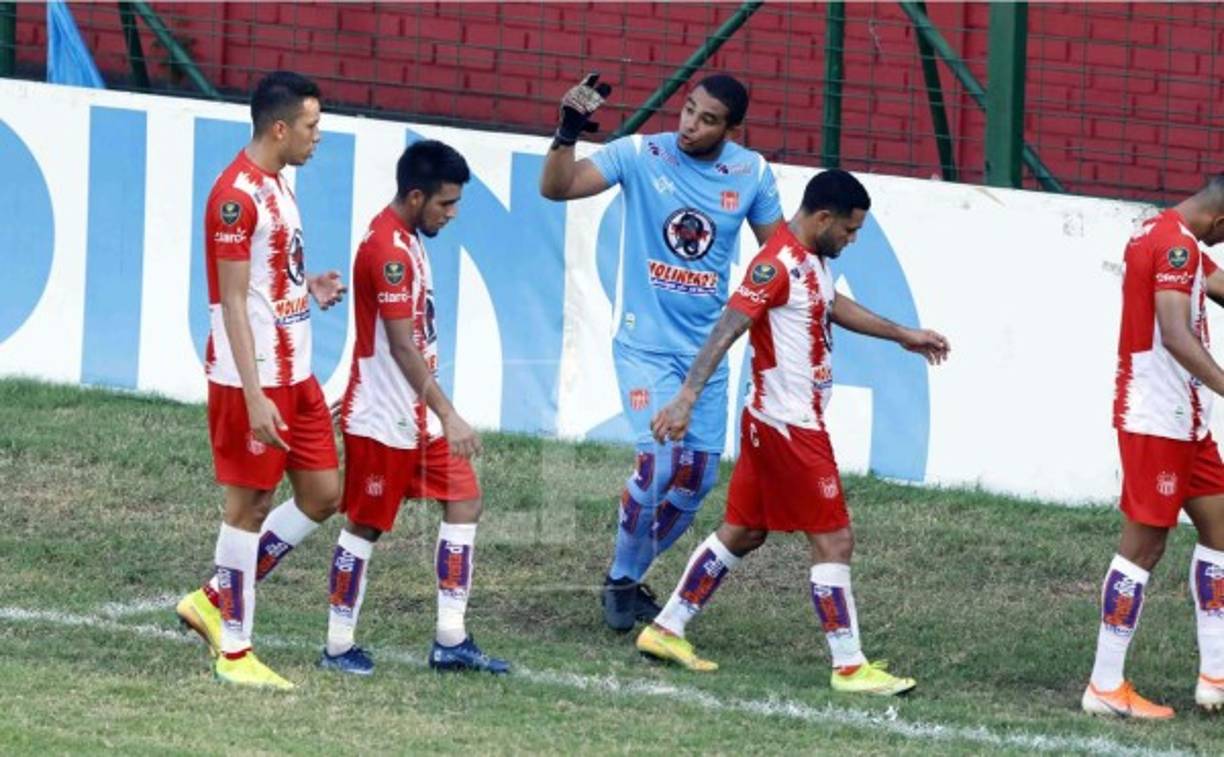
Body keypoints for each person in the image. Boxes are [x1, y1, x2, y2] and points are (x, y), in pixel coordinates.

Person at [634, 169, 949, 697]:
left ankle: (666, 629)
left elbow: (831, 303)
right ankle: (849, 666)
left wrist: (901, 335)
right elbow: (729, 326)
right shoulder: (774, 264)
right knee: (834, 539)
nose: (852, 241)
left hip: (771, 421)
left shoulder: (813, 261)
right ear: (823, 218)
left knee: (744, 529)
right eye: (849, 231)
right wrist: (687, 396)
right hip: (790, 427)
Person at [539, 72, 784, 632]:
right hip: (644, 348)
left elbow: (779, 256)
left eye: (708, 119)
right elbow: (556, 188)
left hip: (707, 357)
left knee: (696, 480)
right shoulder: (640, 154)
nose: (691, 126)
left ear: (732, 128)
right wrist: (566, 133)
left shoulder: (751, 174)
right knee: (660, 463)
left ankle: (623, 578)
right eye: (689, 111)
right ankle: (624, 582)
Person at [175, 71, 347, 690]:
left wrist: (309, 287)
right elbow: (232, 302)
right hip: (253, 379)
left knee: (323, 496)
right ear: (280, 128)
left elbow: (269, 284)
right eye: (310, 125)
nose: (316, 137)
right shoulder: (235, 197)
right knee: (248, 508)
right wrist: (252, 396)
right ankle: (235, 652)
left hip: (295, 374)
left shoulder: (277, 184)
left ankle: (213, 597)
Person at [317, 140, 509, 676]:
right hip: (384, 417)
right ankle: (336, 646)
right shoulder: (390, 251)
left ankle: (451, 638)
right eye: (446, 205)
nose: (452, 214)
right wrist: (448, 413)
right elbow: (401, 346)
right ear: (417, 195)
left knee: (465, 498)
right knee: (365, 526)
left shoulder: (405, 238)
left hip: (412, 414)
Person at [1083, 175, 1224, 718]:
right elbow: (1175, 332)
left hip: (1186, 422)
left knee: (1219, 527)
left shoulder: (1165, 233)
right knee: (1143, 548)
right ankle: (1104, 685)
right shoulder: (1174, 244)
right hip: (1156, 420)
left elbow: (1217, 286)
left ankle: (1215, 675)